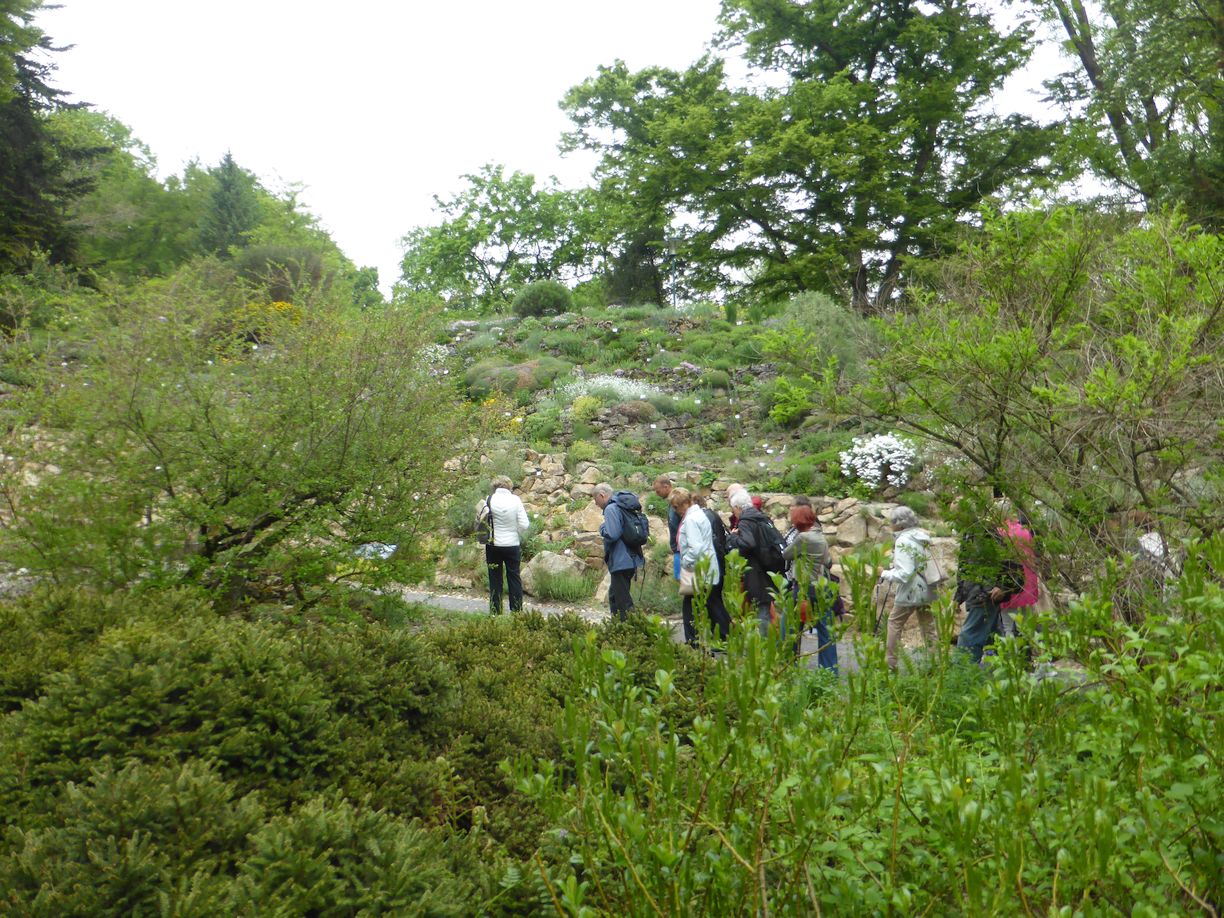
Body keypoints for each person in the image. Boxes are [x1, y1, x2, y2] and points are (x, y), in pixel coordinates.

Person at [954, 507, 1025, 663]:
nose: (954, 520)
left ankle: (962, 674)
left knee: (968, 638)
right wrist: (958, 597)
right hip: (976, 593)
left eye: (957, 515)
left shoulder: (985, 533)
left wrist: (1002, 587)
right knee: (993, 637)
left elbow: (1009, 561)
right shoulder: (969, 534)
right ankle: (1010, 669)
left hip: (985, 594)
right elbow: (964, 568)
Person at [878, 505, 938, 670]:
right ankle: (935, 664)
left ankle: (890, 665)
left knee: (894, 623)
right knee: (928, 626)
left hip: (911, 591)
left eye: (892, 521)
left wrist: (885, 574)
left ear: (898, 523)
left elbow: (905, 574)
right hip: (927, 587)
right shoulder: (921, 537)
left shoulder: (903, 540)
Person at [782, 500, 838, 672]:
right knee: (826, 631)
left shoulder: (803, 538)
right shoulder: (821, 536)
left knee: (790, 625)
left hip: (805, 588)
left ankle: (788, 665)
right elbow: (828, 562)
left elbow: (786, 554)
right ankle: (829, 671)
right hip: (822, 586)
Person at [673, 488, 731, 646]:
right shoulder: (701, 515)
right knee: (712, 603)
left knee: (690, 607)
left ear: (684, 504)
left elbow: (696, 548)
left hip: (698, 570)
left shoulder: (691, 520)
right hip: (709, 567)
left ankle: (694, 642)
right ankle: (725, 637)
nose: (676, 511)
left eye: (676, 507)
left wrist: (685, 562)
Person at [726, 488, 785, 638]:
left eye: (734, 509)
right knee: (767, 607)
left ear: (738, 507)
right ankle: (774, 644)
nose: (734, 513)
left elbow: (748, 543)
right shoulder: (761, 517)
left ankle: (766, 648)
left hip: (756, 572)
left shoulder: (746, 521)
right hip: (769, 567)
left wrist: (733, 538)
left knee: (761, 610)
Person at [595, 482, 646, 621]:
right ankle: (618, 627)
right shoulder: (621, 506)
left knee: (622, 600)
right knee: (614, 595)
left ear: (602, 495)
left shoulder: (611, 508)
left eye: (596, 500)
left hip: (620, 559)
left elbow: (613, 534)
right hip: (631, 558)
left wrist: (602, 528)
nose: (596, 504)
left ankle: (629, 630)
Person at [482, 475, 530, 615]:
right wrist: (515, 533)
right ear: (509, 486)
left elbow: (483, 521)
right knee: (514, 577)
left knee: (495, 579)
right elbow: (524, 524)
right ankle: (516, 612)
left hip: (493, 545)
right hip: (512, 545)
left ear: (494, 486)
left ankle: (495, 612)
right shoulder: (515, 500)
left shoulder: (489, 499)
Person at [694, 492, 732, 641]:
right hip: (719, 561)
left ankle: (724, 634)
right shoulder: (713, 515)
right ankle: (727, 632)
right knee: (716, 599)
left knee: (712, 601)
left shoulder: (703, 518)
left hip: (712, 563)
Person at [654, 475, 681, 582]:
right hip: (678, 549)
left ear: (666, 487)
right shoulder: (671, 502)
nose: (657, 494)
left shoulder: (677, 503)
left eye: (658, 491)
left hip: (682, 550)